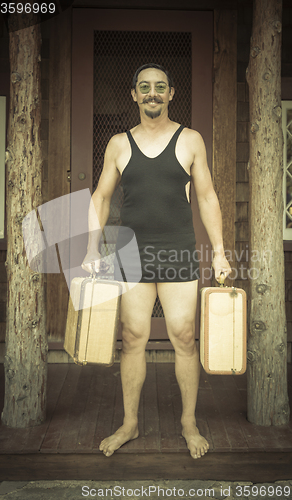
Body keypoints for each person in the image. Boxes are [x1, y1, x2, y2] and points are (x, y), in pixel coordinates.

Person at [82, 63, 231, 459]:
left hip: (178, 249)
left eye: (159, 87)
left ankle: (188, 423)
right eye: (144, 87)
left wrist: (218, 252)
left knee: (183, 336)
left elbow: (206, 197)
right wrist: (90, 248)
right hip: (130, 254)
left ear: (171, 93)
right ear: (134, 94)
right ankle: (130, 423)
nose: (152, 93)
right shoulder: (117, 144)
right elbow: (100, 197)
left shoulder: (190, 140)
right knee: (133, 338)